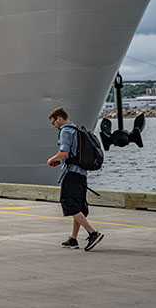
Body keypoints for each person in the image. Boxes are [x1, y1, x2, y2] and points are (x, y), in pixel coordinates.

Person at [46, 107, 104, 251]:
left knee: (69, 204)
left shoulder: (65, 131)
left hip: (71, 174)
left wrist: (51, 160)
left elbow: (64, 152)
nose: (54, 126)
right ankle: (73, 239)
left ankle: (93, 233)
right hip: (81, 174)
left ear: (59, 118)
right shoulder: (77, 129)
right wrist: (62, 159)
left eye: (53, 122)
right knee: (77, 206)